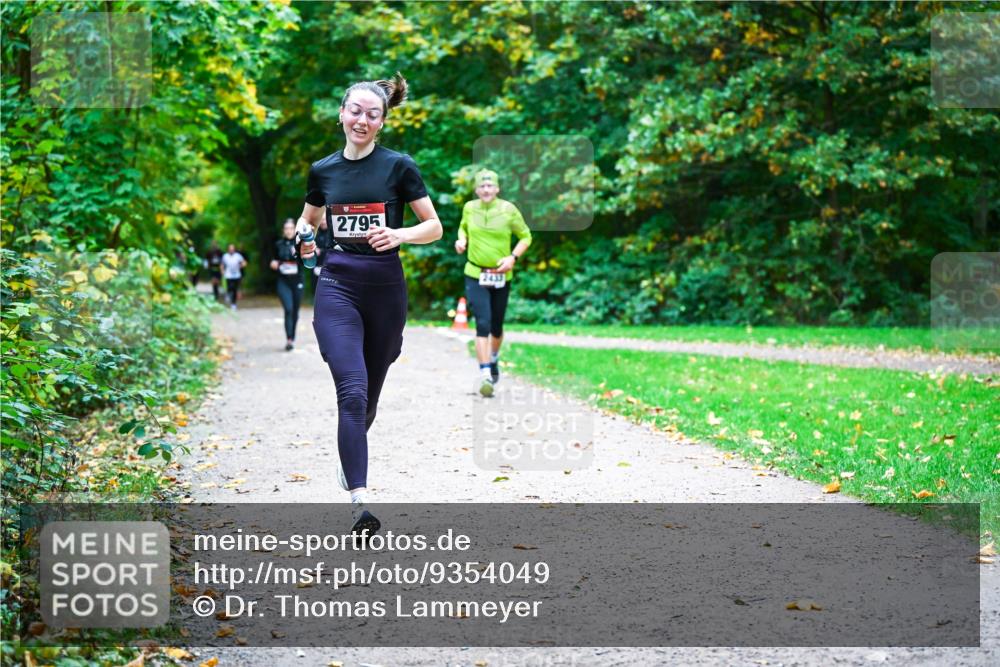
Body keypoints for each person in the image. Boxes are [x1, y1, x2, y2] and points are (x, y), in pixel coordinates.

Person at [295, 73, 442, 536]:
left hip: (385, 289)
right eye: (355, 111)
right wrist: (304, 240)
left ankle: (350, 451)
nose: (362, 120)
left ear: (382, 121)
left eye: (372, 114)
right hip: (337, 284)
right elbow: (309, 221)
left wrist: (399, 234)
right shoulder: (323, 171)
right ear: (341, 114)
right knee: (352, 391)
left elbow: (434, 227)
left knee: (367, 402)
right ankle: (361, 501)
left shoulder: (399, 167)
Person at [455, 169, 531, 397]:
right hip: (475, 273)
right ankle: (485, 373)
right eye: (482, 186)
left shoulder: (509, 210)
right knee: (483, 323)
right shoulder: (469, 208)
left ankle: (494, 358)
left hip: (501, 276)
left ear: (497, 188)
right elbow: (463, 227)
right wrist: (461, 240)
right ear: (476, 189)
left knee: (496, 326)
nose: (486, 190)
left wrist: (512, 258)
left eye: (490, 186)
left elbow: (526, 236)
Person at [270, 218, 305, 351]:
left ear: (295, 229)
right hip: (283, 281)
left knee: (295, 311)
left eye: (291, 228)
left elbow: (308, 261)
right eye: (286, 228)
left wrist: (299, 255)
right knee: (288, 308)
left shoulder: (300, 244)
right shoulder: (278, 244)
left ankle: (292, 337)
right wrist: (273, 263)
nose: (289, 231)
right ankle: (289, 339)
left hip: (297, 281)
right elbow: (273, 259)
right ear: (283, 231)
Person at [221, 243, 246, 310]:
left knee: (235, 289)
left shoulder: (238, 256)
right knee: (230, 287)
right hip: (228, 275)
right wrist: (222, 271)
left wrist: (240, 266)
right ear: (228, 249)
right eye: (230, 249)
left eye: (232, 249)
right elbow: (222, 264)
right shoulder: (225, 256)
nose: (231, 250)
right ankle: (228, 295)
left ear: (234, 249)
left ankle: (233, 304)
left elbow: (244, 263)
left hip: (237, 275)